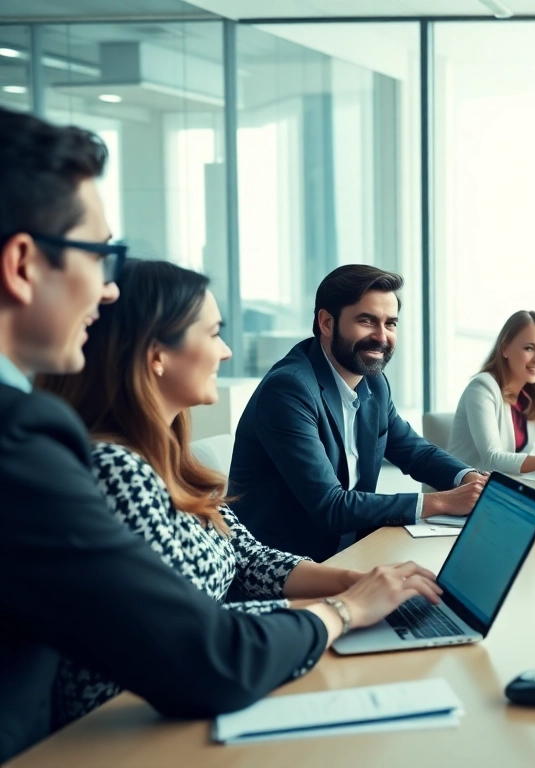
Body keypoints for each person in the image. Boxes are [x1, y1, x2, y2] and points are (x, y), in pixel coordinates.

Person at [0, 107, 439, 762]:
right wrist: (347, 611)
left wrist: (358, 586)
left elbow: (240, 566)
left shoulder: (149, 454)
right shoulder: (44, 447)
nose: (109, 289)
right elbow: (198, 652)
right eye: (99, 255)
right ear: (24, 264)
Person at [36, 259, 395, 725]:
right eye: (212, 334)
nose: (225, 352)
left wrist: (350, 584)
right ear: (156, 354)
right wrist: (343, 611)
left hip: (185, 703)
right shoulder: (116, 473)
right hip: (127, 723)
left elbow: (246, 558)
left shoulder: (168, 458)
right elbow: (192, 641)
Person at [229, 265, 486, 561]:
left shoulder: (373, 384)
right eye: (367, 321)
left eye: (391, 324)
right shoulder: (289, 390)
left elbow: (415, 452)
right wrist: (441, 503)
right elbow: (331, 506)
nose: (381, 336)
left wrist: (469, 480)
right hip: (285, 571)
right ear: (326, 322)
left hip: (353, 553)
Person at [447, 310, 535, 474]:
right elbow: (492, 459)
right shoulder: (482, 388)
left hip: (502, 486)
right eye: (529, 348)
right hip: (462, 491)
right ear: (505, 348)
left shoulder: (533, 397)